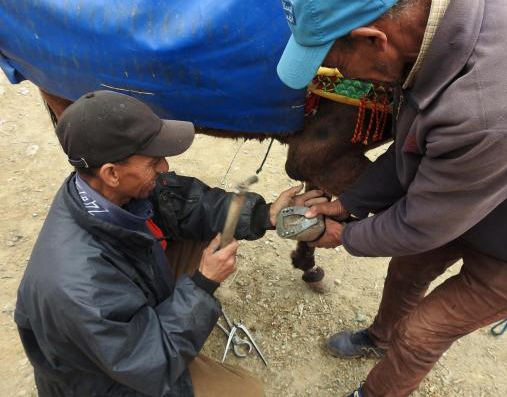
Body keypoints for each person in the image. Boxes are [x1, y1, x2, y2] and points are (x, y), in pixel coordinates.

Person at [275, 0, 507, 396]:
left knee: (422, 334)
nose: (341, 76)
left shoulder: (485, 110)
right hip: (474, 182)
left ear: (373, 39)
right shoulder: (435, 35)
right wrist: (348, 203)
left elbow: (421, 225)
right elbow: (415, 148)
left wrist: (343, 235)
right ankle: (381, 336)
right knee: (407, 269)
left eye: (335, 63)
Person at [14, 90, 325, 397]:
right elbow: (151, 365)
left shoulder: (99, 189)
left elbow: (188, 204)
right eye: (153, 161)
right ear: (111, 173)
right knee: (246, 391)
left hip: (118, 333)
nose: (163, 167)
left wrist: (264, 215)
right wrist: (202, 285)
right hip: (107, 384)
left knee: (206, 228)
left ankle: (167, 316)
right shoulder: (80, 286)